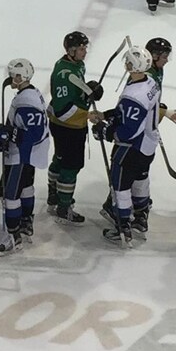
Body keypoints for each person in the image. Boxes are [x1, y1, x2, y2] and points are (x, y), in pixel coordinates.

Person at [94, 46, 161, 245]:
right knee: (140, 181)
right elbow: (127, 113)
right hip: (148, 146)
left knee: (120, 187)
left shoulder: (134, 96)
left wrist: (105, 132)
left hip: (131, 149)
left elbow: (128, 130)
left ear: (132, 65)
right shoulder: (151, 83)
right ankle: (141, 219)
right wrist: (106, 115)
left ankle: (123, 228)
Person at [46, 32, 104, 223]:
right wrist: (88, 115)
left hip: (60, 124)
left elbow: (71, 94)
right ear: (71, 50)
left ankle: (54, 194)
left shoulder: (74, 65)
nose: (85, 52)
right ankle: (64, 206)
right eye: (81, 48)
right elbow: (63, 110)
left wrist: (87, 91)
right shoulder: (65, 74)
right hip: (67, 127)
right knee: (70, 166)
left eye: (85, 48)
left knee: (60, 158)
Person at [0, 59, 50, 253]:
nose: (11, 78)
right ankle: (26, 223)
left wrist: (10, 134)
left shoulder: (26, 100)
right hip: (28, 153)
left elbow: (35, 132)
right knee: (26, 187)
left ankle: (13, 234)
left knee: (9, 194)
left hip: (21, 153)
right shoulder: (31, 93)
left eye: (14, 75)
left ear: (22, 77)